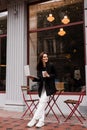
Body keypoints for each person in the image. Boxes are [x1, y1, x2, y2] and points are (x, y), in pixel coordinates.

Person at [27, 52, 57, 128]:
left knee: (42, 102)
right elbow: (40, 79)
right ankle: (41, 121)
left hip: (49, 88)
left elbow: (55, 75)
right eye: (44, 57)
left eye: (46, 56)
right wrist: (33, 79)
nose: (46, 58)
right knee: (42, 104)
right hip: (41, 88)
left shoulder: (51, 65)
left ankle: (34, 119)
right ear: (41, 58)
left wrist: (49, 75)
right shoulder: (39, 68)